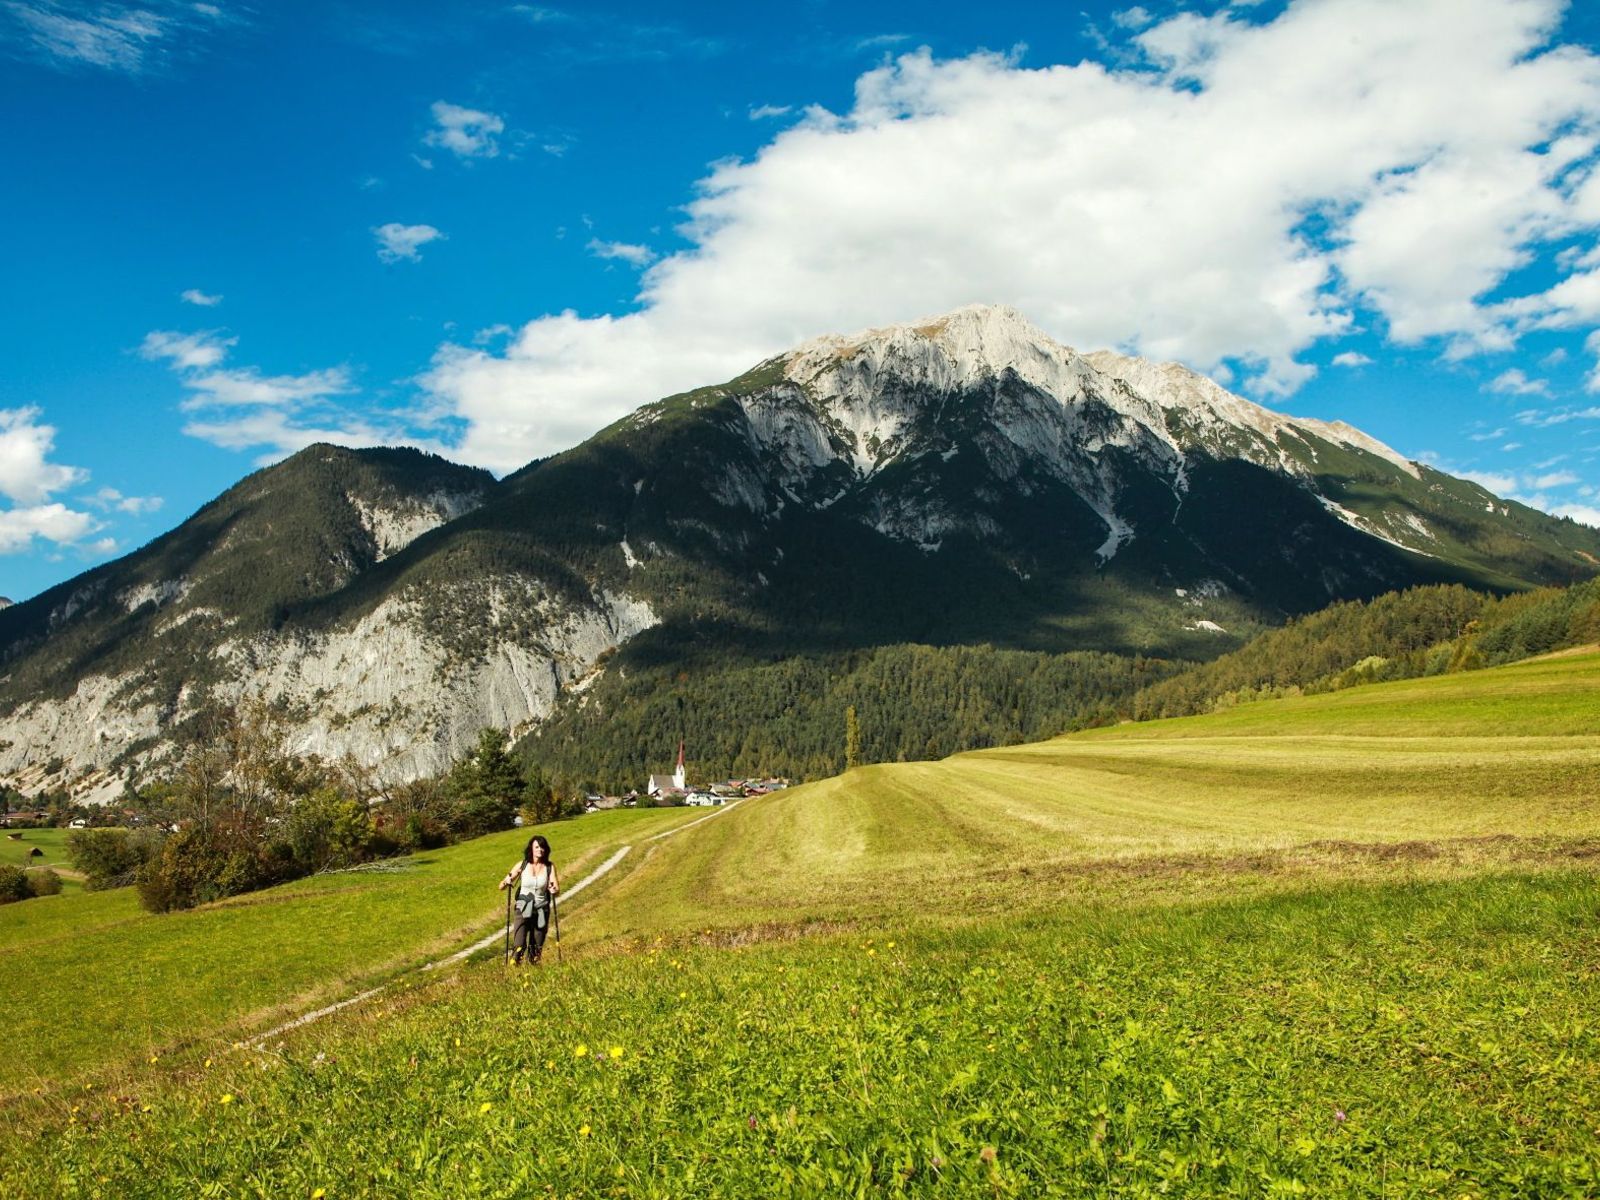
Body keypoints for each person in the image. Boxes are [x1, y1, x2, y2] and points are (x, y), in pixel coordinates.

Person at [499, 835, 560, 965]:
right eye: (537, 847)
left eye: (542, 847)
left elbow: (556, 887)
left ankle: (533, 970)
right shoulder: (523, 865)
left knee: (536, 947)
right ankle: (514, 969)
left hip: (541, 909)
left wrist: (553, 889)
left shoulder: (549, 867)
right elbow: (501, 886)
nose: (540, 849)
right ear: (531, 849)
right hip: (523, 907)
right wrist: (507, 882)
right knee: (519, 944)